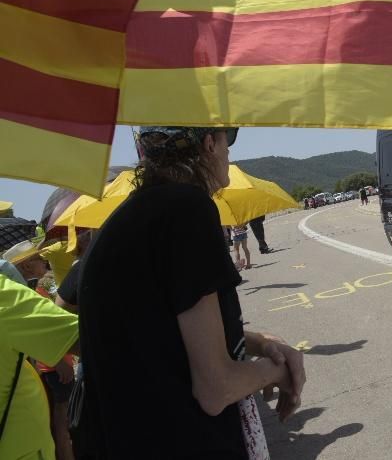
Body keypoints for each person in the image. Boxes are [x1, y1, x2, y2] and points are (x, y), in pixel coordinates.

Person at [76, 126, 305, 459]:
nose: (230, 151)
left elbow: (160, 333)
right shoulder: (187, 209)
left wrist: (258, 342)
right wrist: (281, 369)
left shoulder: (125, 221)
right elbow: (216, 388)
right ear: (209, 144)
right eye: (228, 139)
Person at [3, 240, 76, 460]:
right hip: (18, 447)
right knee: (62, 419)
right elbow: (90, 339)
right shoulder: (8, 297)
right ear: (25, 266)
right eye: (38, 259)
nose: (44, 262)